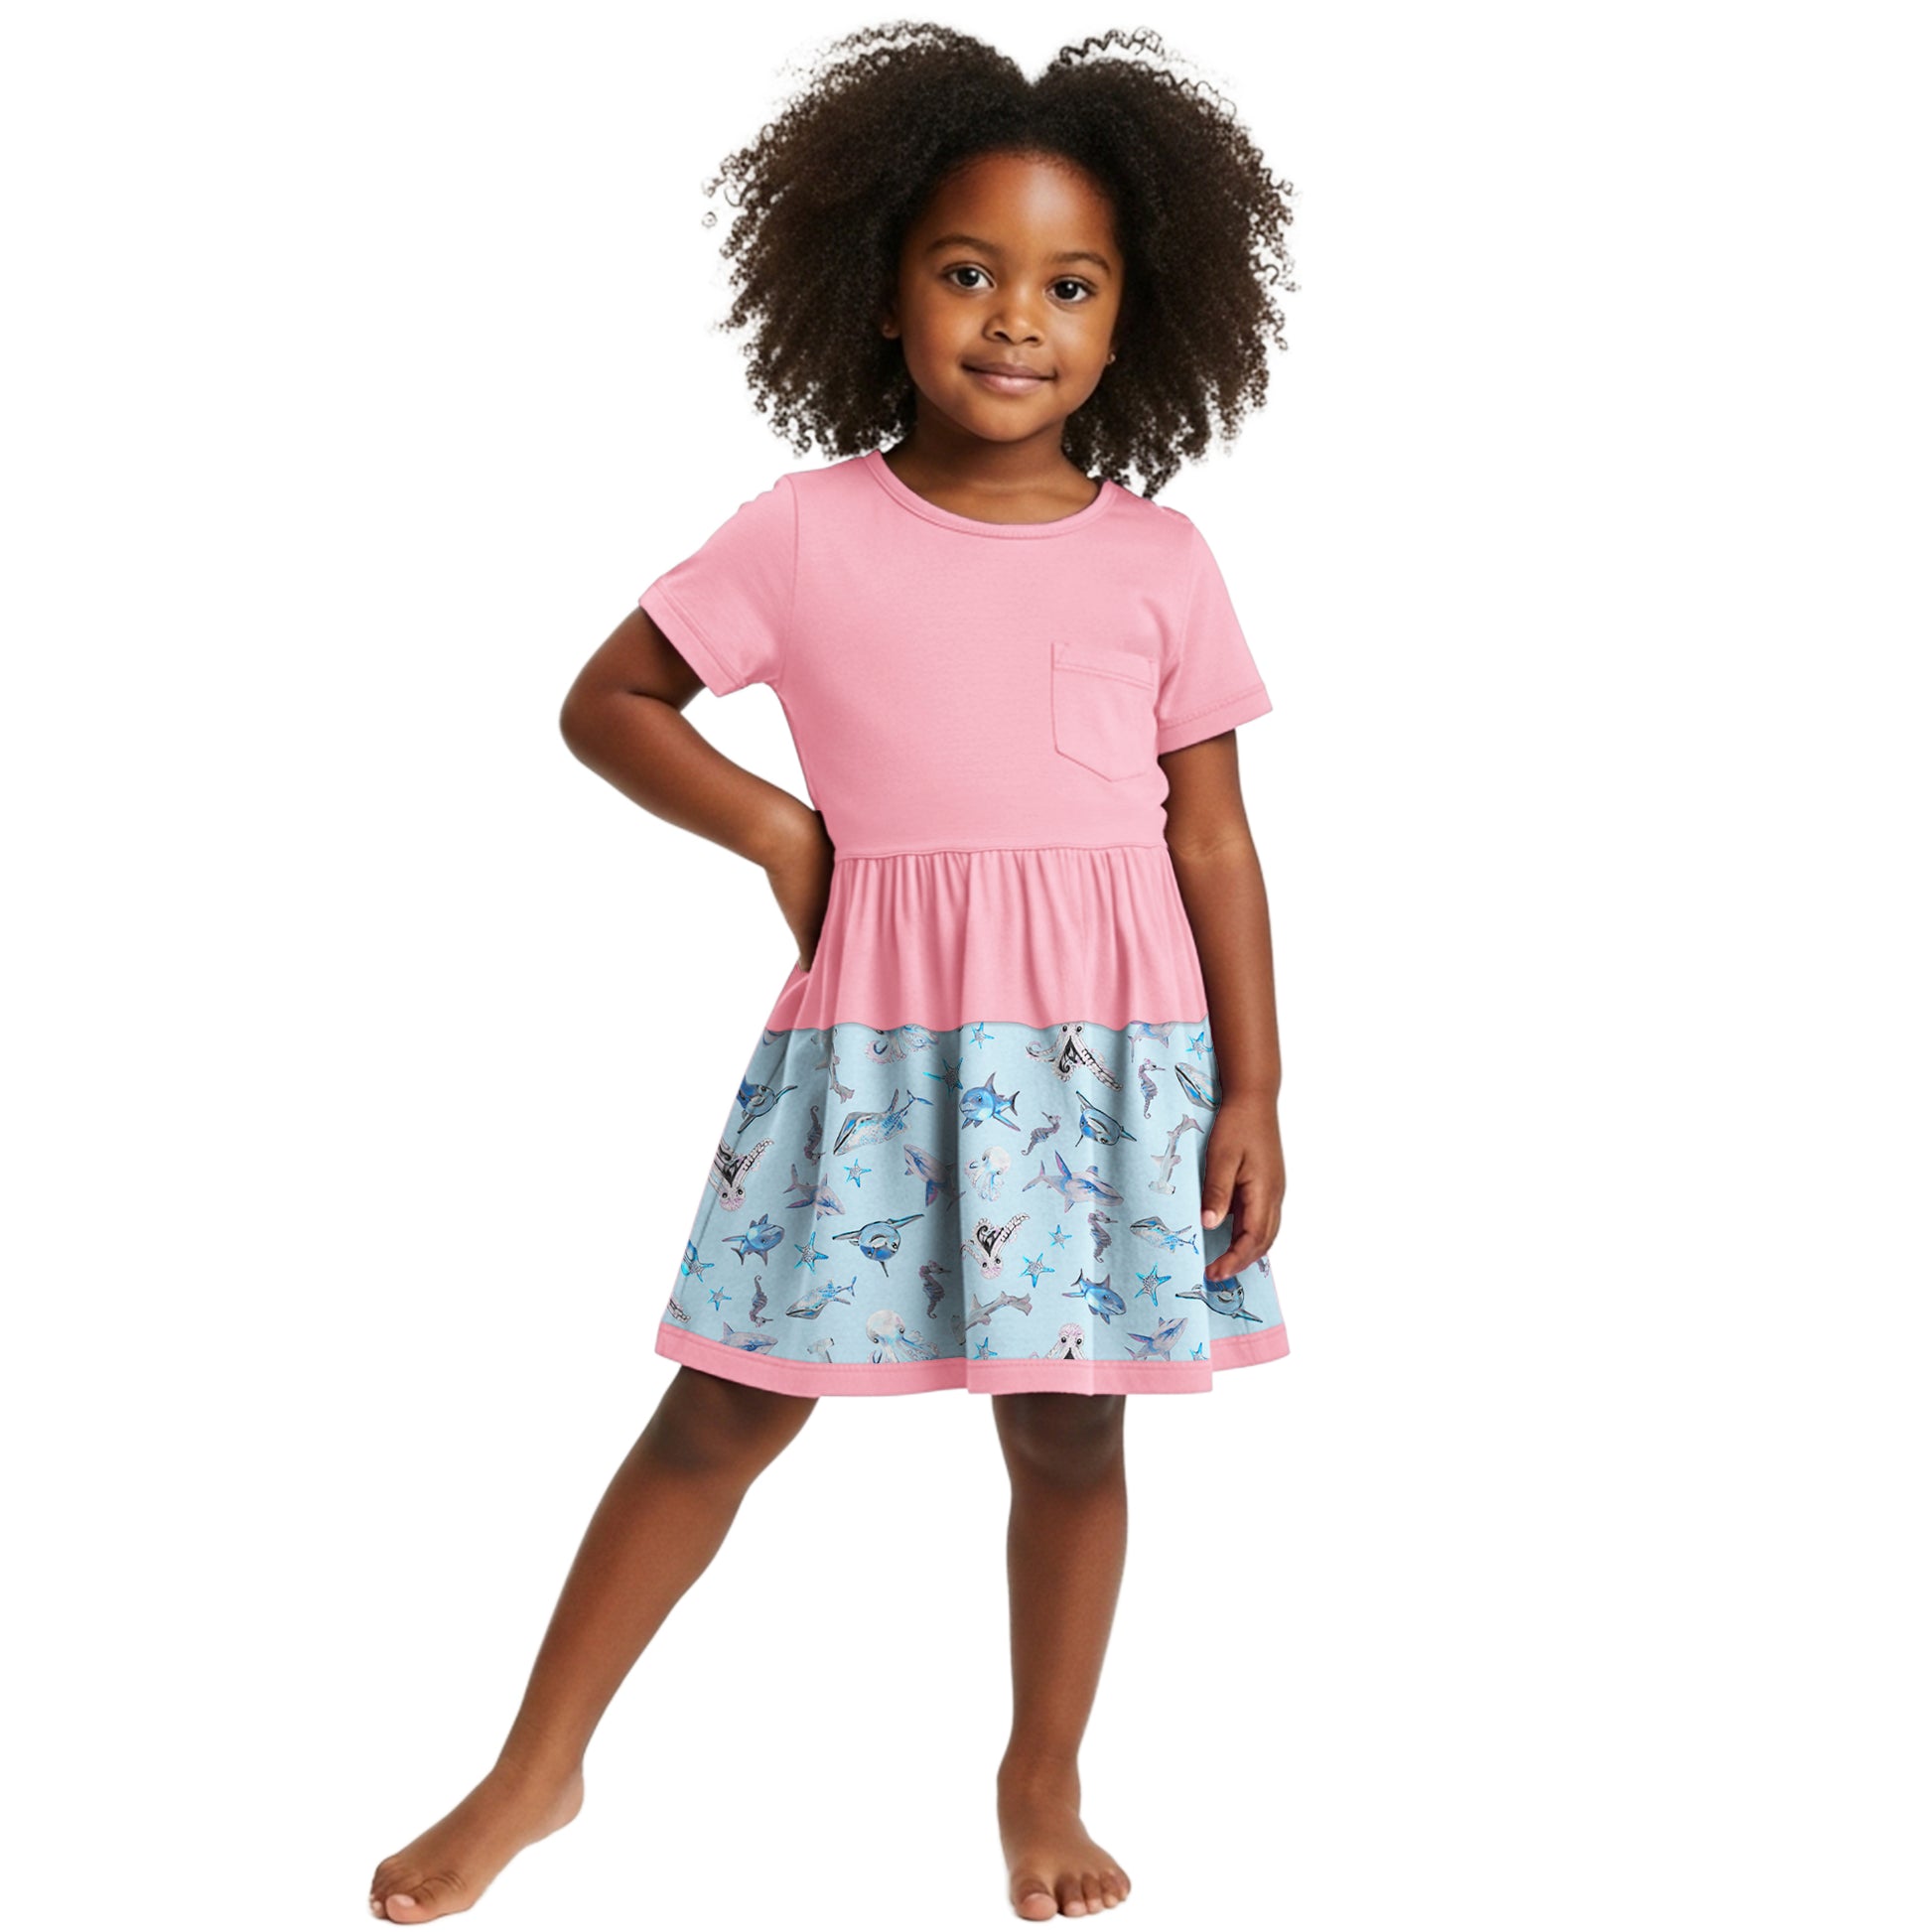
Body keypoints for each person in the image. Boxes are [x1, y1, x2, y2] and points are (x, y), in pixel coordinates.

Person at [369, 21, 1299, 1923]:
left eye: (1068, 283)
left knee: (1070, 1423)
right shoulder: (801, 531)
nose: (1013, 318)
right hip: (876, 1044)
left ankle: (1039, 1776)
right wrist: (785, 831)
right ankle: (537, 1765)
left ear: (1134, 323)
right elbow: (608, 700)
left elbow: (1209, 833)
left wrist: (1259, 1088)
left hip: (1107, 1061)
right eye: (967, 271)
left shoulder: (1163, 559)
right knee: (722, 1401)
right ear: (881, 291)